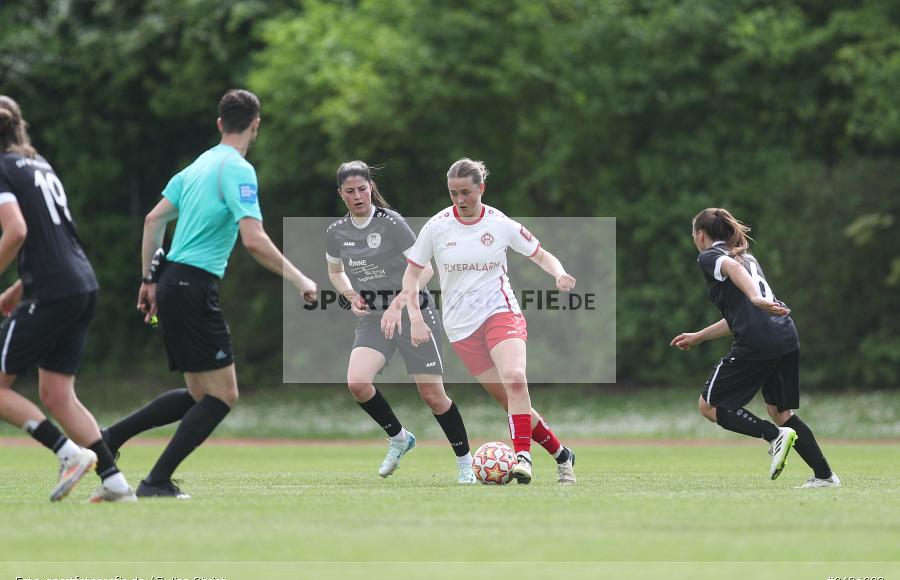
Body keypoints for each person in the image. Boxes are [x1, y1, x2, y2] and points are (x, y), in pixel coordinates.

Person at [101, 89, 317, 499]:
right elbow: (253, 240)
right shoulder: (238, 169)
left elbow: (153, 220)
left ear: (220, 124)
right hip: (194, 285)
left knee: (201, 394)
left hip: (170, 281)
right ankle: (156, 481)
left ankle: (111, 437)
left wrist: (149, 280)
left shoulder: (198, 165)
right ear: (256, 125)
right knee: (223, 396)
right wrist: (299, 278)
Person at [383, 158, 577, 485]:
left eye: (466, 192)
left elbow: (541, 254)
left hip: (500, 312)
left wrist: (559, 273)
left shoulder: (499, 223)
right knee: (512, 401)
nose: (459, 199)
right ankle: (562, 455)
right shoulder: (437, 226)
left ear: (481, 189)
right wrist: (415, 317)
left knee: (515, 378)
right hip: (461, 330)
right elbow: (412, 275)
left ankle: (523, 457)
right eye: (453, 193)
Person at [0, 95, 136, 502]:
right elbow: (53, 239)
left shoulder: (2, 169)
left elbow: (18, 231)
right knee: (57, 393)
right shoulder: (39, 164)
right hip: (80, 283)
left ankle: (67, 454)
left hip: (53, 289)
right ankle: (115, 483)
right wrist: (16, 289)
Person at [326, 161, 475, 484]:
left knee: (433, 396)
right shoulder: (336, 232)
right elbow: (335, 273)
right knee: (357, 383)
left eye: (362, 189)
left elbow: (426, 271)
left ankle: (466, 462)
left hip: (413, 313)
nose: (357, 196)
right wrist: (351, 295)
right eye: (350, 191)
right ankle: (398, 437)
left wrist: (397, 305)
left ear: (371, 188)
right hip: (374, 319)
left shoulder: (391, 223)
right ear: (341, 194)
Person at [670, 207, 839, 487]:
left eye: (693, 234)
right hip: (784, 336)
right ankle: (825, 476)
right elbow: (740, 314)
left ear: (700, 234)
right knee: (781, 413)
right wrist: (700, 335)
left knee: (709, 405)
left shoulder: (712, 256)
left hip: (758, 342)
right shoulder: (745, 256)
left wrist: (756, 298)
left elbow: (738, 280)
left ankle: (773, 437)